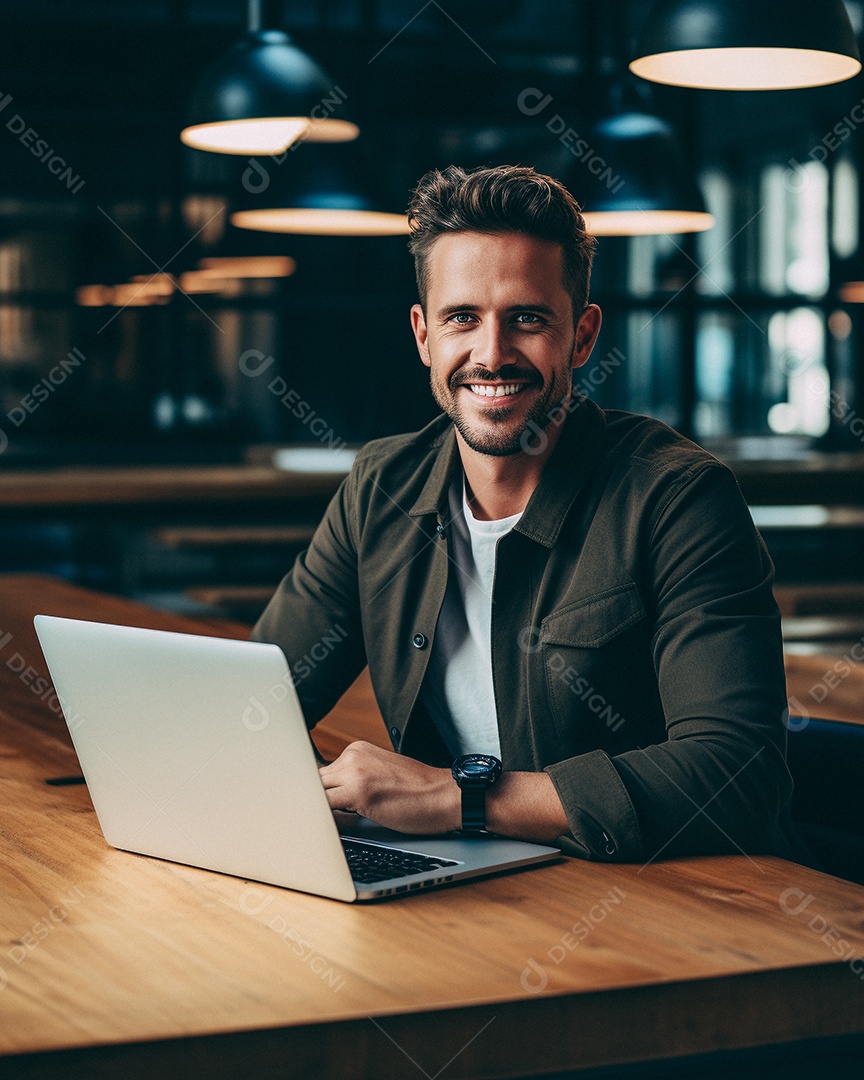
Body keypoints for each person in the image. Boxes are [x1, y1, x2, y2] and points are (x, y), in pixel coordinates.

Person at [251, 163, 798, 864]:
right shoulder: (380, 487)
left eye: (528, 319)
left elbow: (739, 779)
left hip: (675, 909)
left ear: (583, 334)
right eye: (461, 319)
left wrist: (457, 798)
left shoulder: (679, 498)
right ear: (423, 335)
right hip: (470, 894)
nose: (492, 354)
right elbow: (256, 705)